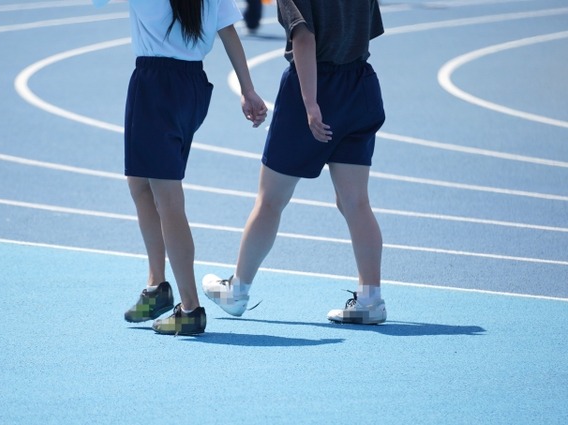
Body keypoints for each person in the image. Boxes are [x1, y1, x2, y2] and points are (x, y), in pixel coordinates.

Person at [202, 0, 387, 325]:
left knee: (270, 199)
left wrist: (311, 104)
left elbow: (304, 36)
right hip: (359, 83)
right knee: (356, 201)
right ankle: (371, 299)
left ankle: (238, 290)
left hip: (314, 87)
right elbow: (366, 29)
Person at [92, 0, 267, 335]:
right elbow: (228, 30)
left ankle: (190, 308)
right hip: (191, 84)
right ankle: (157, 285)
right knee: (139, 182)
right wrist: (247, 89)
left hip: (155, 86)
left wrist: (248, 90)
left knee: (168, 199)